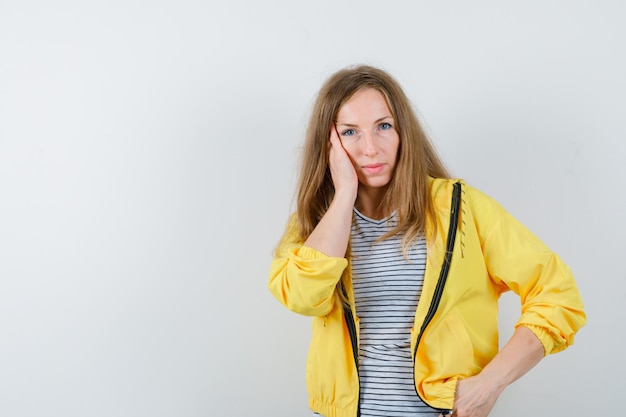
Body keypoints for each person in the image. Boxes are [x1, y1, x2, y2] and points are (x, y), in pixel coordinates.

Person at [267, 65, 585, 417]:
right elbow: (302, 297)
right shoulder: (316, 222)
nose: (370, 148)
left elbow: (557, 292)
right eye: (350, 132)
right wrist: (344, 196)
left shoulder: (461, 209)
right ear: (329, 144)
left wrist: (490, 382)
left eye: (383, 126)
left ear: (404, 131)